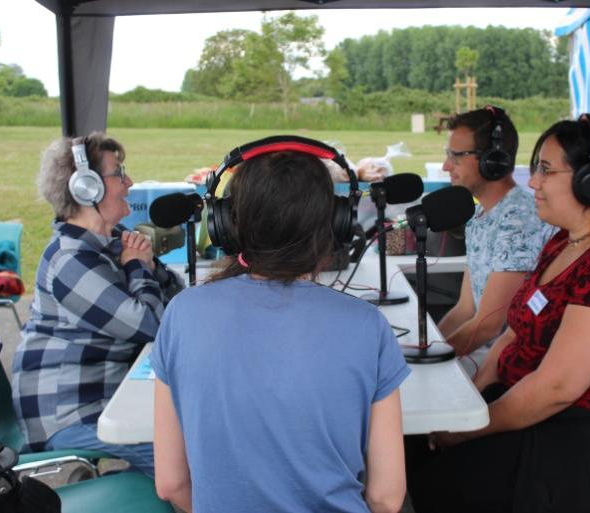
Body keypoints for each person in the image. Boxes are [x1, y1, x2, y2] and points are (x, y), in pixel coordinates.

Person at [406, 111, 590, 513]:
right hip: (541, 406)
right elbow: (512, 333)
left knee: (447, 480)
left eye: (547, 171)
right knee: (416, 438)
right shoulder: (567, 242)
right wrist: (470, 402)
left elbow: (557, 388)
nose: (532, 182)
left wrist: (468, 430)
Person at [151, 148, 410, 513]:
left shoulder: (182, 313)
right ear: (335, 225)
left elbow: (171, 483)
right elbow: (386, 498)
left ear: (228, 224)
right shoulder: (369, 326)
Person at [12, 132, 183, 477]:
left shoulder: (109, 241)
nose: (129, 183)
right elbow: (152, 325)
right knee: (182, 456)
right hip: (67, 414)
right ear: (86, 188)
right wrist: (138, 267)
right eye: (119, 173)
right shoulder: (68, 260)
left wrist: (147, 266)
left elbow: (176, 298)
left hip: (102, 397)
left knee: (189, 436)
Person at [437, 106, 552, 367]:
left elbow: (488, 325)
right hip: (482, 355)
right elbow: (465, 309)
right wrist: (428, 349)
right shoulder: (480, 215)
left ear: (493, 159)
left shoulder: (517, 220)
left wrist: (431, 363)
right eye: (448, 154)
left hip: (504, 365)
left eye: (456, 156)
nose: (446, 166)